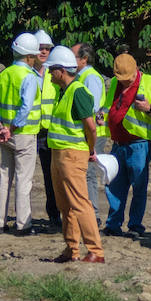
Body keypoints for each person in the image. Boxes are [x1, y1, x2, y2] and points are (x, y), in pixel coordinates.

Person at [43, 45, 104, 263]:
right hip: (59, 154)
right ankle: (72, 249)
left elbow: (91, 126)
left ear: (61, 70)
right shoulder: (64, 92)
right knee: (65, 205)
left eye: (51, 70)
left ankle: (95, 251)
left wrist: (90, 148)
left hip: (72, 154)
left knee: (79, 203)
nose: (49, 73)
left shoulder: (78, 92)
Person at [102, 53, 151, 238]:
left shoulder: (150, 83)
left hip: (138, 144)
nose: (125, 82)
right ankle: (113, 224)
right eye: (121, 78)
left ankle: (135, 226)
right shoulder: (115, 84)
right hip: (118, 144)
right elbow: (108, 108)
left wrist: (148, 108)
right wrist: (102, 116)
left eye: (127, 78)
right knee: (115, 185)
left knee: (138, 186)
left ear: (136, 70)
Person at [0, 34, 42, 236]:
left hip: (4, 133)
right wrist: (11, 128)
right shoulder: (29, 77)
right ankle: (23, 224)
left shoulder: (3, 75)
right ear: (30, 57)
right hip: (23, 133)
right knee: (23, 179)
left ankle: (0, 223)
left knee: (5, 177)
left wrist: (0, 126)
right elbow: (25, 107)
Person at [73, 44, 109, 222]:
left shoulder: (91, 77)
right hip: (86, 131)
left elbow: (91, 107)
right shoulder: (81, 76)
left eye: (73, 56)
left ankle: (93, 215)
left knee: (88, 173)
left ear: (84, 59)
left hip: (94, 132)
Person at [33, 30, 60, 230]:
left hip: (51, 131)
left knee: (53, 175)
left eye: (47, 49)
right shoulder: (27, 73)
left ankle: (54, 213)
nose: (43, 52)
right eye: (40, 48)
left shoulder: (55, 74)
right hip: (31, 129)